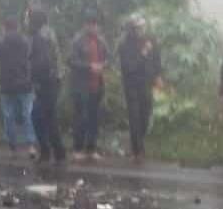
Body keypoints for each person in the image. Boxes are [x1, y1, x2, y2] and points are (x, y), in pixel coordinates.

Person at [0, 16, 38, 158]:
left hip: (7, 85)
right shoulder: (25, 41)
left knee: (8, 115)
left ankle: (12, 146)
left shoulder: (1, 42)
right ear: (17, 27)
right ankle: (31, 146)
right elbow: (32, 57)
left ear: (4, 27)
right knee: (27, 114)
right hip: (25, 84)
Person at [118, 14, 163, 162]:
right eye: (138, 28)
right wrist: (143, 53)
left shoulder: (150, 41)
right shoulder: (124, 45)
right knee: (134, 117)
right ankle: (138, 150)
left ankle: (137, 142)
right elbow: (129, 67)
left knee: (145, 114)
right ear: (131, 29)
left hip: (146, 83)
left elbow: (157, 59)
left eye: (143, 27)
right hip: (132, 84)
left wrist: (158, 76)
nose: (141, 30)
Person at [68, 9, 108, 162]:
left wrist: (103, 65)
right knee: (80, 117)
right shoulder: (78, 41)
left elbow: (107, 58)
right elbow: (71, 61)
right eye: (90, 24)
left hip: (97, 85)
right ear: (85, 25)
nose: (93, 27)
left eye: (95, 24)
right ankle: (78, 148)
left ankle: (91, 149)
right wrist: (89, 66)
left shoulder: (101, 41)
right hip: (81, 85)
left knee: (94, 118)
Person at [28, 8, 66, 164]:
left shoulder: (39, 37)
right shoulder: (48, 33)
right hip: (54, 80)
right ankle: (58, 152)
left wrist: (34, 79)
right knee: (49, 117)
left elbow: (42, 62)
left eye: (28, 18)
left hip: (46, 82)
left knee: (37, 116)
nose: (26, 22)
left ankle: (47, 151)